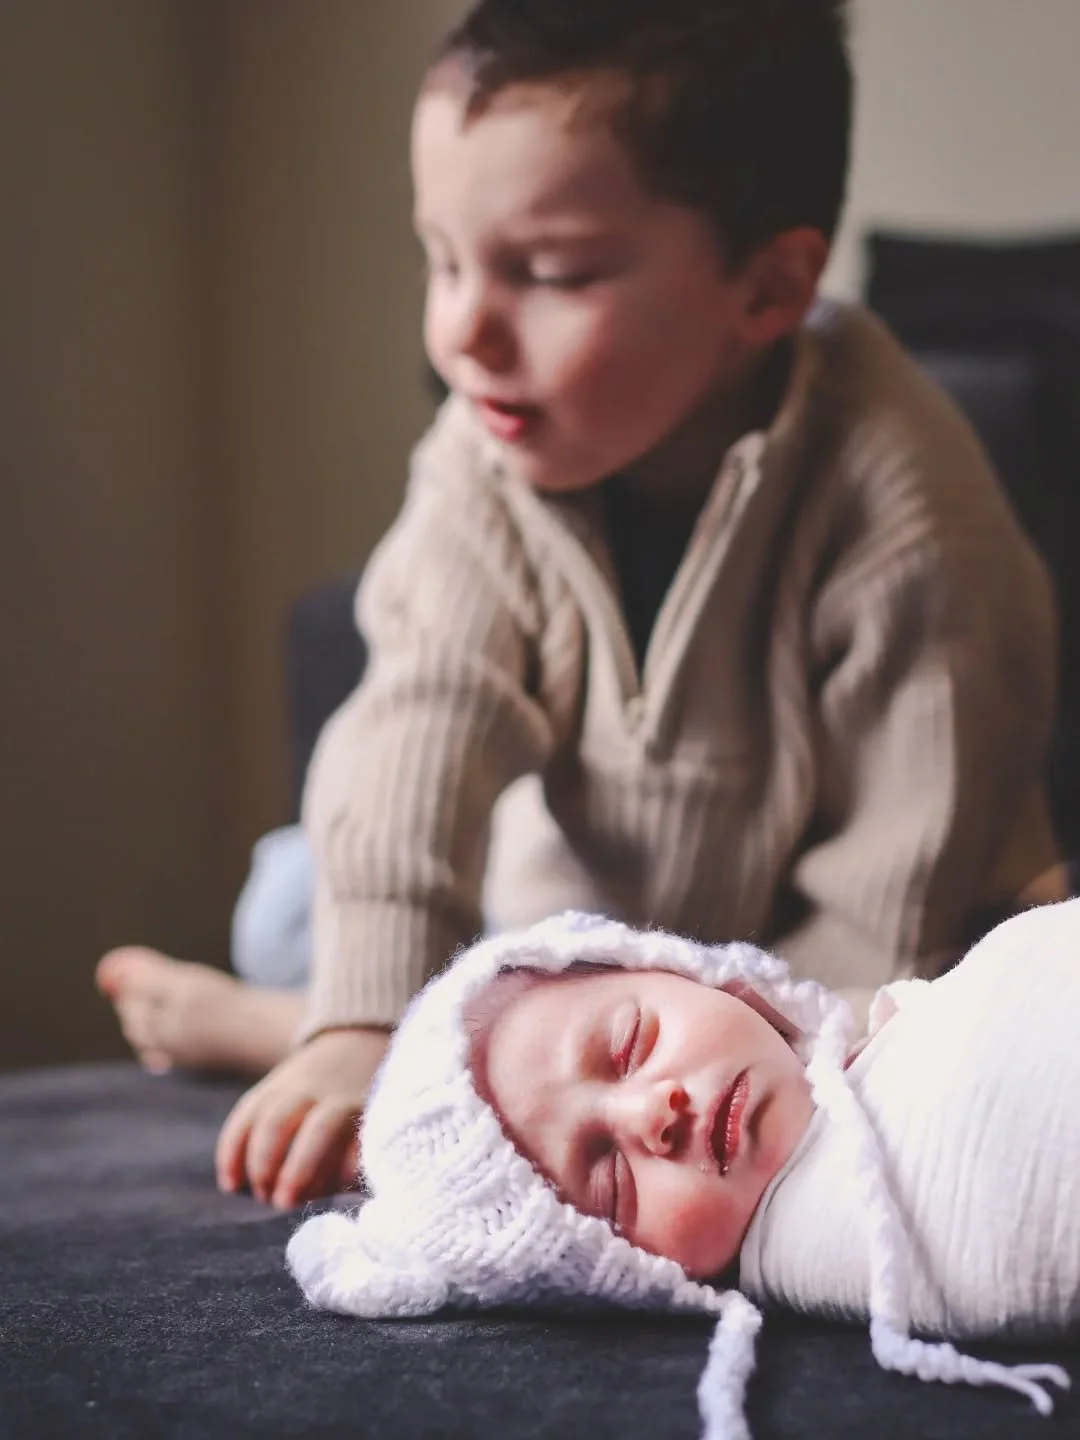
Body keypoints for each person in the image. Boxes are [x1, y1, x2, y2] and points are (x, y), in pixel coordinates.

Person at [97, 0, 1065, 1214]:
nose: (463, 331)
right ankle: (330, 1019)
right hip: (564, 938)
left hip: (801, 955)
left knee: (958, 1016)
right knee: (298, 895)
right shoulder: (482, 461)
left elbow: (901, 877)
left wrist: (797, 1050)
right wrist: (359, 1019)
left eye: (548, 273)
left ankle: (295, 1029)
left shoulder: (907, 508)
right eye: (440, 259)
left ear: (767, 289)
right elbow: (421, 714)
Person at [286, 907, 1076, 1439]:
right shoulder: (826, 1231)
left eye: (630, 1044)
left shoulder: (873, 1029)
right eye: (610, 1185)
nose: (650, 1117)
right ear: (630, 1277)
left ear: (699, 976)